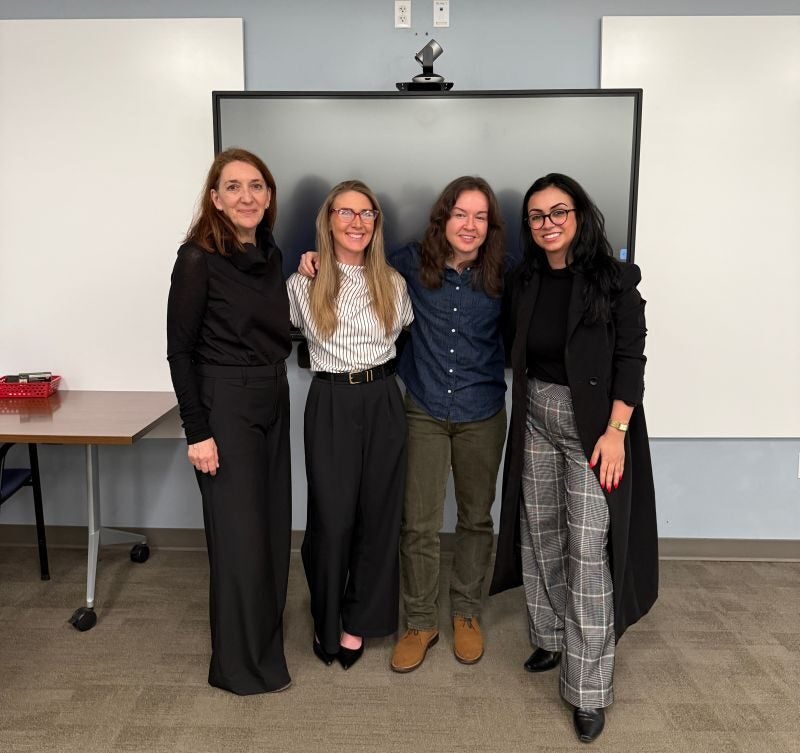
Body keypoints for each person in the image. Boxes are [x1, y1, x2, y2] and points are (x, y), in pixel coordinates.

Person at [299, 175, 507, 672]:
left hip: (481, 411)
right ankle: (419, 621)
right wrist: (313, 259)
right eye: (460, 214)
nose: (470, 225)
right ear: (443, 218)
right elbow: (353, 261)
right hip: (423, 410)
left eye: (480, 216)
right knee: (417, 524)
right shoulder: (409, 264)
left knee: (476, 520)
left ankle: (466, 613)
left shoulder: (507, 273)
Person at [489, 173, 658, 743]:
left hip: (596, 427)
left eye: (558, 211)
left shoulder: (614, 280)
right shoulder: (524, 279)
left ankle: (589, 689)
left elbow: (631, 359)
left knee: (587, 549)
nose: (548, 223)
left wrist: (615, 431)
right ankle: (552, 637)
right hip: (536, 417)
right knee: (540, 532)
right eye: (537, 215)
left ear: (579, 215)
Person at [166, 148, 292, 695]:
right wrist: (197, 431)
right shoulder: (197, 259)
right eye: (234, 187)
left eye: (256, 186)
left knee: (271, 532)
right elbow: (180, 352)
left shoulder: (270, 254)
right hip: (224, 404)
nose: (247, 196)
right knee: (240, 541)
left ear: (269, 196)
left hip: (273, 397)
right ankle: (237, 669)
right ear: (215, 199)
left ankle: (266, 650)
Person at [287, 180, 413, 670]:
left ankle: (358, 620)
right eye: (346, 212)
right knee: (332, 519)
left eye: (367, 213)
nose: (357, 222)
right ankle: (326, 614)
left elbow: (402, 334)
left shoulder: (393, 283)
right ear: (328, 220)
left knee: (378, 516)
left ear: (376, 223)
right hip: (331, 401)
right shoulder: (303, 283)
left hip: (383, 399)